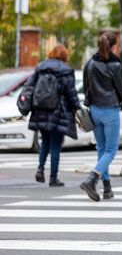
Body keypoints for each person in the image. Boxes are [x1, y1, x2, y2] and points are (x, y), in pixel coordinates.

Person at [79, 31, 122, 202]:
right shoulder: (115, 65)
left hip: (94, 110)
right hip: (110, 110)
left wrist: (89, 106)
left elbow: (86, 88)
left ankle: (107, 188)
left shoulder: (89, 63)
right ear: (114, 46)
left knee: (101, 149)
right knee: (111, 150)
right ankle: (92, 179)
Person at [28, 44, 80, 187]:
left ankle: (40, 169)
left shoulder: (41, 67)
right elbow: (71, 93)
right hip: (59, 111)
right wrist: (77, 109)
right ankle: (53, 177)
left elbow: (30, 87)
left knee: (45, 142)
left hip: (41, 109)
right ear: (64, 56)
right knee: (56, 145)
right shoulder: (66, 71)